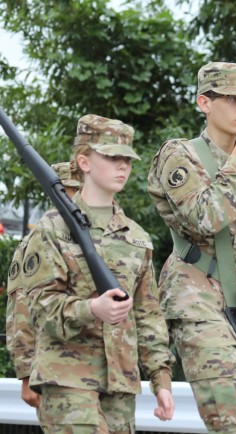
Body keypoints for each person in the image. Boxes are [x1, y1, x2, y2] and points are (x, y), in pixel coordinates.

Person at [147, 61, 236, 434]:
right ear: (204, 103)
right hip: (199, 301)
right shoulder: (178, 156)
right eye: (231, 98)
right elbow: (205, 217)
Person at [23, 115, 175, 432]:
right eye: (111, 157)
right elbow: (40, 307)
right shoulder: (52, 230)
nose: (122, 166)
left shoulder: (136, 237)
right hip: (67, 376)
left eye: (127, 159)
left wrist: (161, 379)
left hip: (121, 382)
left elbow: (148, 314)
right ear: (84, 161)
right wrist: (92, 309)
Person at [6, 162, 81, 410]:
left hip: (91, 367)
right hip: (56, 369)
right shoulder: (41, 238)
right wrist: (27, 375)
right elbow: (22, 309)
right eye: (75, 190)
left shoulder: (84, 235)